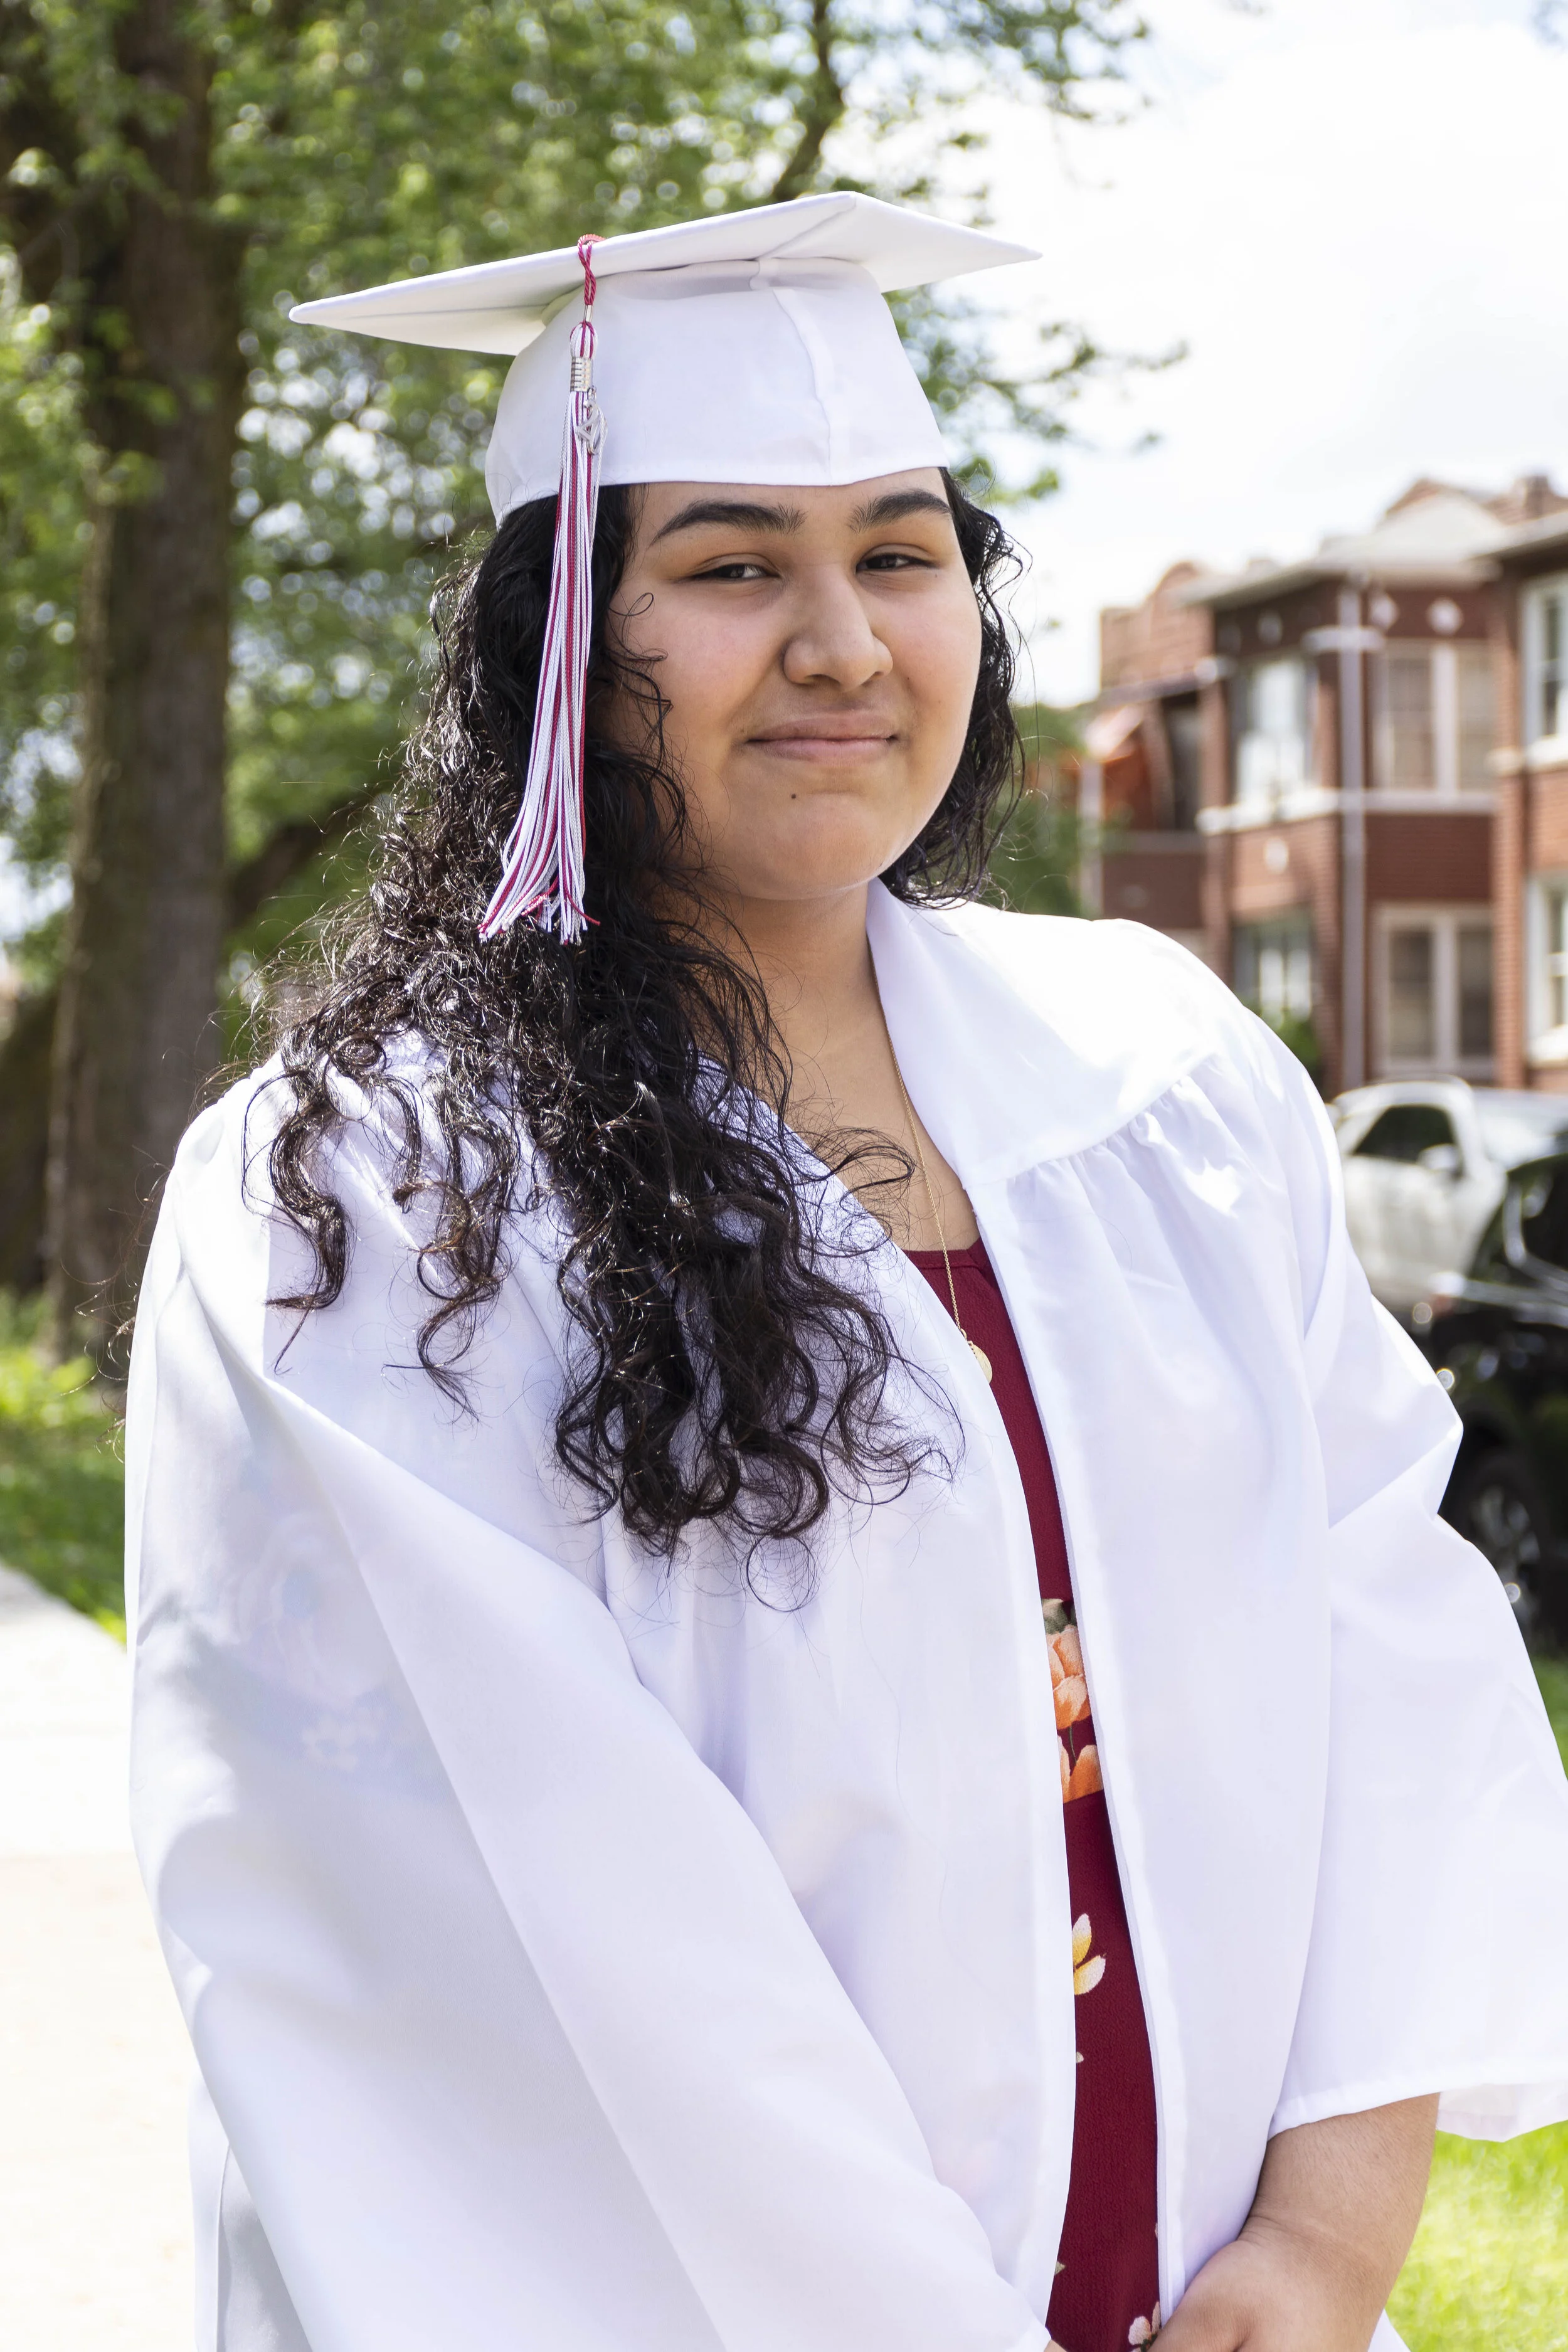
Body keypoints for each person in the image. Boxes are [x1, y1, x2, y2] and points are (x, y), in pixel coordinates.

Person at [126, 194, 1568, 2352]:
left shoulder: (1157, 1077)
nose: (841, 643)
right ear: (550, 648)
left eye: (900, 555)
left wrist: (1325, 2238)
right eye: (727, 568)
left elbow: (1391, 1642)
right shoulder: (367, 1203)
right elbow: (515, 1937)